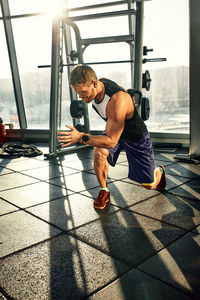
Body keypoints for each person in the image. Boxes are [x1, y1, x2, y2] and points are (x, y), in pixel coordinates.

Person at [57, 64, 166, 209]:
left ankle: (160, 171)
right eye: (78, 93)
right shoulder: (99, 85)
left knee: (149, 184)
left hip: (135, 137)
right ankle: (104, 190)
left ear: (94, 84)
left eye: (83, 92)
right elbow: (110, 136)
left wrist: (81, 137)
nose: (81, 97)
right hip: (114, 131)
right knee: (99, 152)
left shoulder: (116, 101)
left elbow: (110, 142)